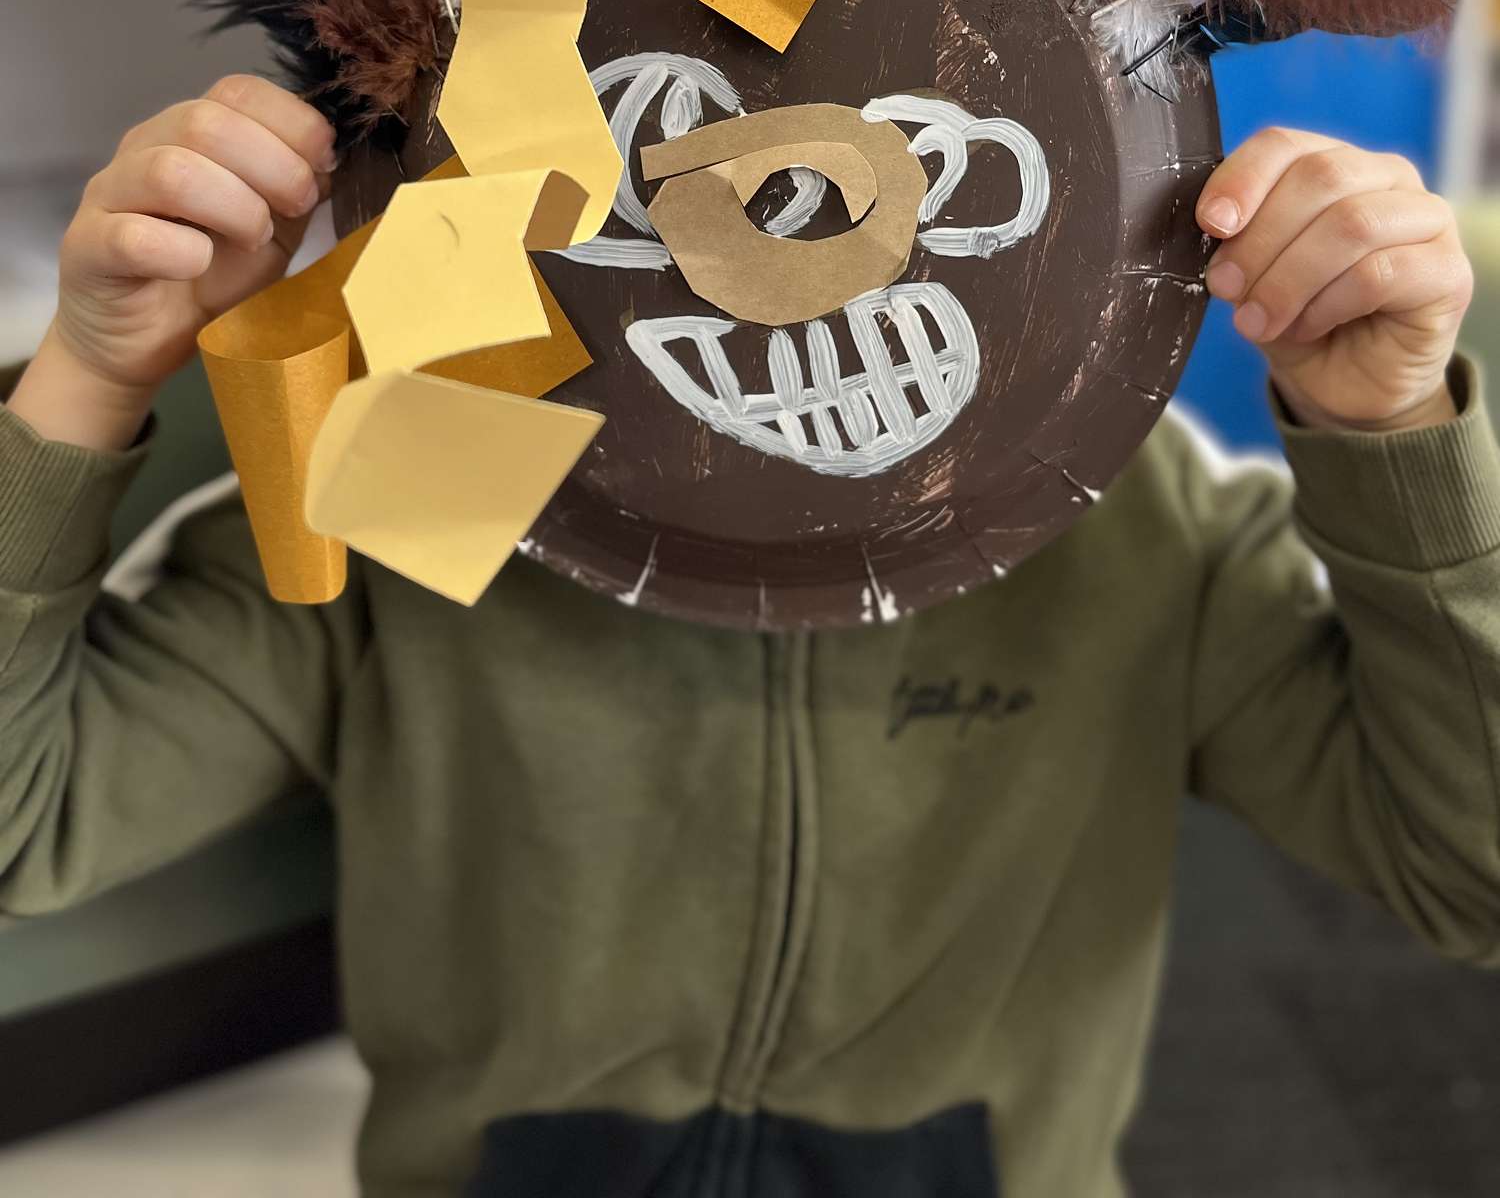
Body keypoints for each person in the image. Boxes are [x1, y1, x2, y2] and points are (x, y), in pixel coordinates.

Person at [1, 71, 1496, 1198]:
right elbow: (27, 816)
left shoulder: (1138, 531)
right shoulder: (411, 500)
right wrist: (89, 374)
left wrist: (1397, 436)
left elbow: (1473, 872)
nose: (789, 257)